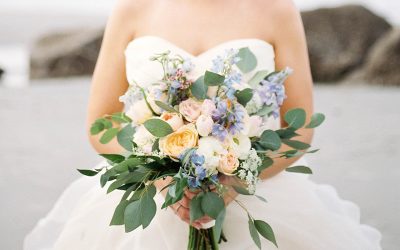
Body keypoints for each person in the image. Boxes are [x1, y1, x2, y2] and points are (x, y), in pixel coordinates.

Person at [24, 0, 382, 249]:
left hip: (253, 195)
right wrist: (162, 177)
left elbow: (299, 127)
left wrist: (234, 182)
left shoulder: (276, 8)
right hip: (150, 199)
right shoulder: (133, 7)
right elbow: (100, 123)